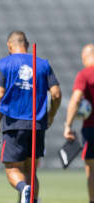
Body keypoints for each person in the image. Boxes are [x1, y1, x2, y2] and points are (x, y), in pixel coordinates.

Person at [0, 31, 61, 203]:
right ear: (27, 44)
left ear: (9, 45)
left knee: (12, 169)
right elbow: (56, 94)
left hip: (13, 124)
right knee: (31, 172)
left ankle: (24, 189)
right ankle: (32, 197)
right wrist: (50, 116)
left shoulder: (3, 64)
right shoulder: (43, 64)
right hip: (37, 124)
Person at [64, 44, 94, 203]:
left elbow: (76, 100)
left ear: (85, 57)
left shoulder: (85, 74)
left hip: (91, 128)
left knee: (91, 169)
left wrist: (68, 125)